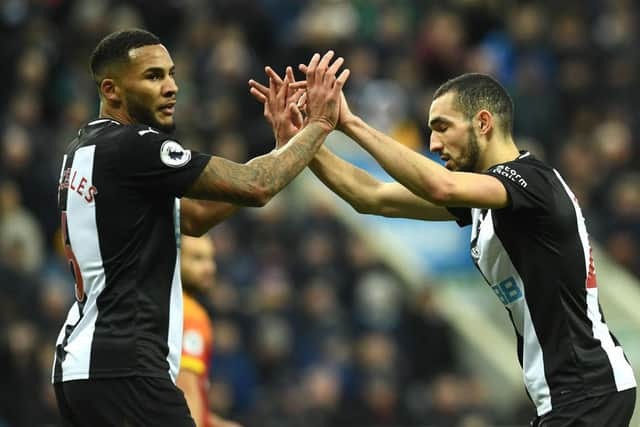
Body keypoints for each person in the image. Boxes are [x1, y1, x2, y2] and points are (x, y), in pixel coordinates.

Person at [249, 69, 637, 426]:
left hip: (587, 387)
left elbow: (441, 186)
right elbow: (371, 196)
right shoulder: (485, 198)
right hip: (564, 394)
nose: (433, 143)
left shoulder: (530, 181)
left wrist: (348, 123)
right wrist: (302, 140)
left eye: (442, 127)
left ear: (483, 123)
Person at [52, 28, 349, 427]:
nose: (172, 87)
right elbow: (256, 185)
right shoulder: (134, 146)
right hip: (127, 368)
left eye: (172, 74)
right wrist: (320, 123)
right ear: (112, 89)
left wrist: (281, 148)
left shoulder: (84, 149)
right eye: (154, 76)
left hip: (80, 370)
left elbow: (193, 218)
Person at [176, 235, 241, 427]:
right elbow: (186, 389)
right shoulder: (191, 315)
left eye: (210, 258)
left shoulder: (168, 306)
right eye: (197, 259)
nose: (209, 268)